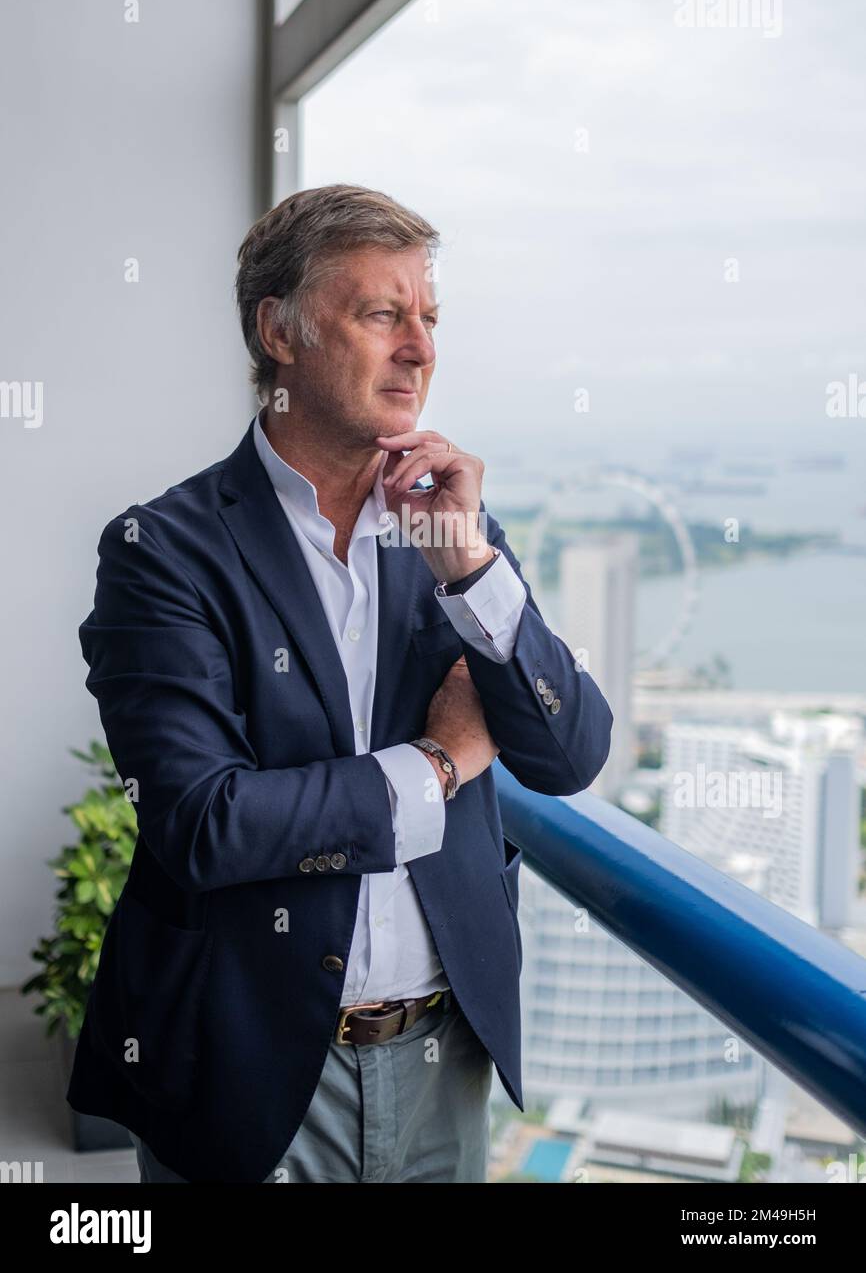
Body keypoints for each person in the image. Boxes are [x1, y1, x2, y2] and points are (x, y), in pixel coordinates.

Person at [66, 183, 613, 1182]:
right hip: (247, 1064)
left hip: (445, 1059)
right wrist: (438, 765)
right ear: (280, 331)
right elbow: (203, 821)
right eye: (381, 314)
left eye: (428, 318)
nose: (419, 347)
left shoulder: (448, 529)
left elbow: (567, 754)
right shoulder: (165, 549)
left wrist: (469, 571)